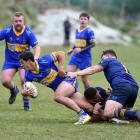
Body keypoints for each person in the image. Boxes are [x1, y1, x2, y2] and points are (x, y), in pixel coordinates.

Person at [19, 51, 94, 125]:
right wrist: (24, 93)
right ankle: (100, 113)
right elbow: (25, 88)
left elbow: (60, 53)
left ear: (28, 61)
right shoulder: (28, 75)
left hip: (68, 80)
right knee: (89, 108)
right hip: (61, 89)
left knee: (58, 97)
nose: (22, 65)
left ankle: (83, 115)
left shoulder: (43, 61)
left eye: (22, 62)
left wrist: (60, 68)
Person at [67, 49, 140, 123]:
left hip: (122, 85)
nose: (101, 61)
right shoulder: (121, 65)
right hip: (134, 87)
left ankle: (135, 113)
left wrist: (76, 73)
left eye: (102, 59)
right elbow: (123, 78)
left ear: (107, 56)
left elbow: (93, 69)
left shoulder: (108, 60)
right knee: (122, 115)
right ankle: (133, 115)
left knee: (108, 112)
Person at [0, 12, 41, 111]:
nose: (18, 23)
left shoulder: (28, 33)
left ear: (23, 21)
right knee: (5, 81)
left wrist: (35, 58)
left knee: (24, 80)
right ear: (13, 21)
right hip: (10, 61)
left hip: (24, 62)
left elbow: (36, 47)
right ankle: (14, 90)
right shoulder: (7, 31)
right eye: (16, 21)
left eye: (20, 21)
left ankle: (26, 104)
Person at [67, 12, 96, 89]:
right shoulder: (77, 30)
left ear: (88, 21)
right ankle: (70, 93)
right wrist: (72, 49)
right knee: (68, 75)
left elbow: (93, 44)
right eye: (81, 19)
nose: (83, 20)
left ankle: (92, 96)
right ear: (79, 20)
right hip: (75, 57)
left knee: (84, 79)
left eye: (85, 19)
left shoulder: (89, 31)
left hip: (85, 58)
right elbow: (77, 43)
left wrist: (81, 49)